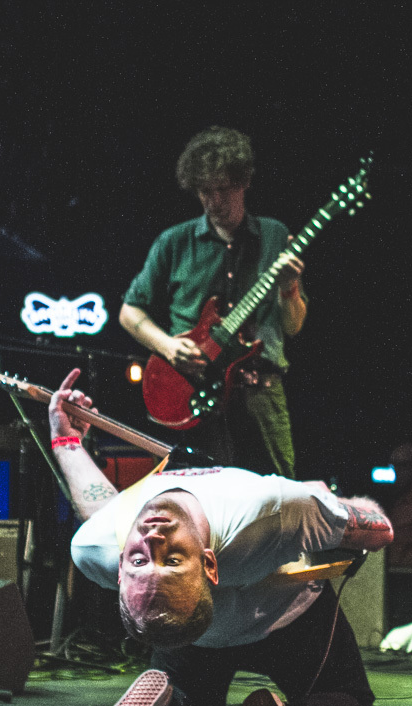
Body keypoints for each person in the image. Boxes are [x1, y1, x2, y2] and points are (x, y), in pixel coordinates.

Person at [47, 368, 392, 706]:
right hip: (287, 617)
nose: (153, 538)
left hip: (199, 633)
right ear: (209, 564)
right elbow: (381, 530)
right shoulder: (274, 511)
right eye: (171, 559)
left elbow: (99, 508)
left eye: (143, 560)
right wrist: (330, 508)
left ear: (119, 566)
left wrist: (66, 441)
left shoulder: (98, 544)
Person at [120, 126, 306, 478]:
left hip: (260, 394)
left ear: (244, 182)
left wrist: (290, 289)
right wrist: (167, 346)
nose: (213, 202)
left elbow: (293, 325)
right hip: (194, 395)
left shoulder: (274, 236)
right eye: (205, 192)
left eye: (222, 190)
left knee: (275, 507)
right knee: (195, 506)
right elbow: (130, 312)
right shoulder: (174, 242)